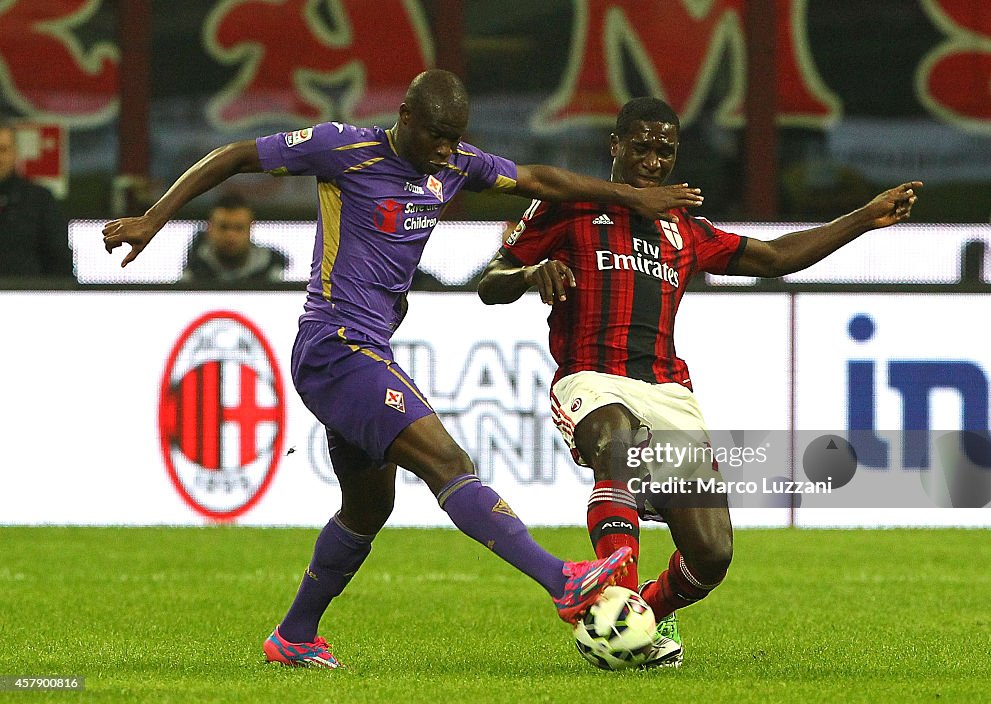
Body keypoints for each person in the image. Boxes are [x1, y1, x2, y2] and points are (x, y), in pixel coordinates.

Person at [102, 70, 706, 669]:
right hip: (336, 344)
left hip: (370, 348)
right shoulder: (343, 149)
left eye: (456, 139)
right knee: (448, 464)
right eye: (438, 136)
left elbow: (538, 179)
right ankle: (561, 581)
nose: (447, 151)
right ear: (406, 118)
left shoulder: (452, 163)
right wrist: (154, 219)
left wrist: (629, 197)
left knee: (368, 508)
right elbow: (234, 155)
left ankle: (294, 636)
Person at [477, 97, 921, 667]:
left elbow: (775, 256)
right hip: (591, 378)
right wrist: (531, 273)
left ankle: (641, 614)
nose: (654, 161)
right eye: (642, 147)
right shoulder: (570, 206)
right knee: (614, 438)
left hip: (668, 393)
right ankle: (611, 594)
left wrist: (864, 217)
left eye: (665, 150)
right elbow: (492, 281)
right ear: (615, 146)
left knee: (711, 555)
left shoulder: (683, 227)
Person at [0, 122, 72, 278]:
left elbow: (60, 261)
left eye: (2, 149)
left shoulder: (39, 200)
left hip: (27, 298)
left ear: (15, 153)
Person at [180, 193, 288, 284]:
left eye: (239, 228)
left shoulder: (273, 270)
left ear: (250, 229)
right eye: (223, 227)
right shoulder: (193, 270)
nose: (231, 235)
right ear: (210, 228)